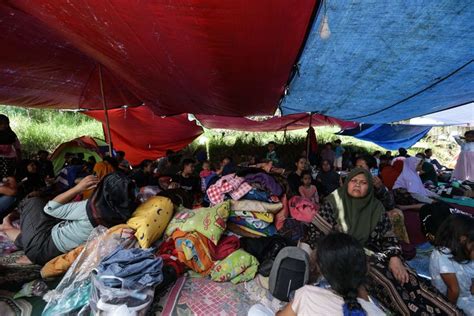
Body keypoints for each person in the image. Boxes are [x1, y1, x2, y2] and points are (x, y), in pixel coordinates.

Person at [301, 168, 461, 314]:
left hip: (378, 254)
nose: (357, 185)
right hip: (346, 257)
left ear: (370, 186)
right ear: (347, 182)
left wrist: (395, 258)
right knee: (389, 285)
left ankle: (450, 311)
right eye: (354, 181)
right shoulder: (333, 203)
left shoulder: (376, 207)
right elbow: (315, 235)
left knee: (411, 280)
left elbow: (388, 236)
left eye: (363, 182)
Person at [249, 233, 384, 316]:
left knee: (256, 310)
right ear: (366, 268)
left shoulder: (308, 294)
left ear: (322, 271)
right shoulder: (378, 313)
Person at [355, 156, 409, 244]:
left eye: (361, 167)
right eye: (356, 167)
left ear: (370, 169)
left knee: (396, 213)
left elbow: (390, 204)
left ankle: (401, 244)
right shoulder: (351, 181)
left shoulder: (375, 182)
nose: (357, 169)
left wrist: (381, 188)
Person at [430, 214, 474, 315]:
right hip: (454, 301)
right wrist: (449, 312)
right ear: (462, 239)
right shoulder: (440, 254)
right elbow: (454, 290)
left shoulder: (461, 251)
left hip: (466, 296)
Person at [0, 114, 21, 179]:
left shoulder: (11, 133)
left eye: (6, 123)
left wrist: (19, 158)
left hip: (11, 159)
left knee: (9, 177)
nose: (4, 125)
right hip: (0, 159)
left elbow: (17, 147)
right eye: (2, 123)